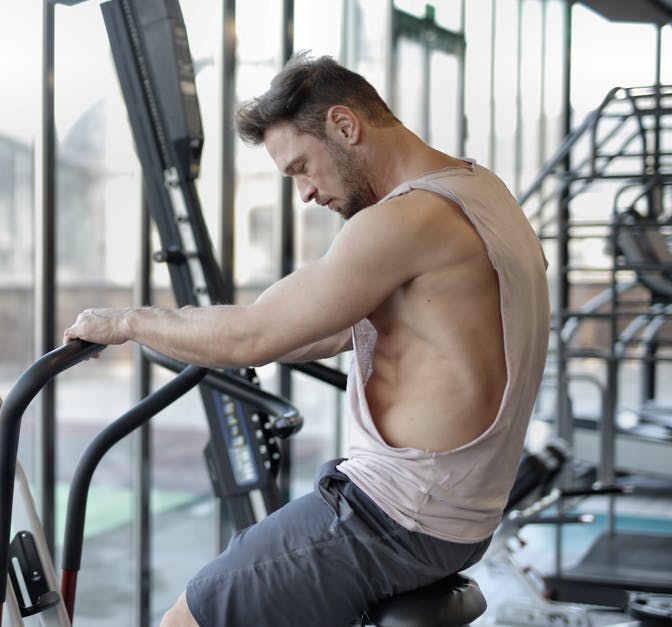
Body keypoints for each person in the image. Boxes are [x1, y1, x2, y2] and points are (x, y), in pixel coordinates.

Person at [62, 53, 550, 626]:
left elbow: (255, 334)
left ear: (345, 126)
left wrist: (127, 323)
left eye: (301, 167)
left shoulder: (406, 220)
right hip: (459, 519)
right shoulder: (482, 193)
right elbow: (328, 329)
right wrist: (220, 339)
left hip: (394, 519)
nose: (305, 193)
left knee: (185, 618)